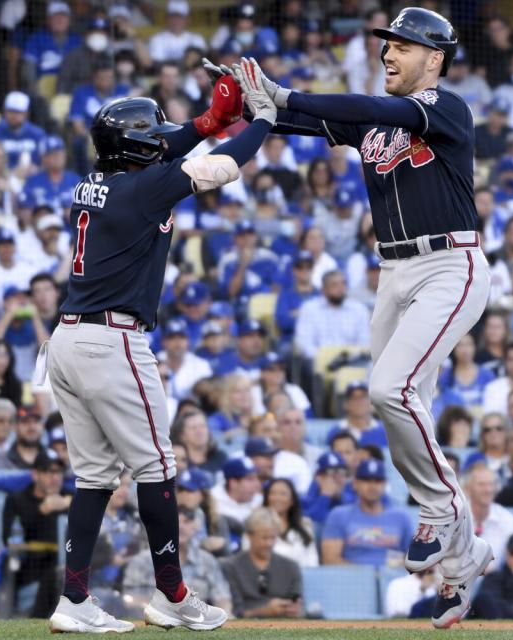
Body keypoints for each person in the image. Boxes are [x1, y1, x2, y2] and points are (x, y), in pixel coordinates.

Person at [204, 9, 494, 626]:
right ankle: (463, 560)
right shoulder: (375, 115)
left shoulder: (445, 105)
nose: (389, 52)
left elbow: (368, 110)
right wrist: (258, 103)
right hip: (394, 274)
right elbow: (313, 119)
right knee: (401, 412)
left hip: (449, 264)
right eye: (387, 43)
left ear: (434, 58)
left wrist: (287, 94)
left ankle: (443, 511)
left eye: (403, 45)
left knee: (390, 390)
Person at [44, 65, 271, 631]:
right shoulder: (145, 186)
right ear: (139, 148)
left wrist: (206, 120)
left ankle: (74, 600)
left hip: (69, 340)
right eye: (156, 134)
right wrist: (262, 119)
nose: (163, 138)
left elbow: (157, 145)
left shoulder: (100, 179)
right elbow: (221, 166)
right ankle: (172, 593)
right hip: (112, 341)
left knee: (95, 475)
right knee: (158, 466)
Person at [122, 509, 232, 616]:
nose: (181, 527)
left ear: (195, 527)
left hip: (196, 620)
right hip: (153, 618)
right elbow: (129, 598)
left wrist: (223, 615)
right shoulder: (143, 560)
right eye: (175, 521)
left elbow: (222, 597)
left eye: (187, 522)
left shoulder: (207, 560)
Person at [1, 451, 72, 618]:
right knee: (53, 573)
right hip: (29, 565)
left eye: (58, 472)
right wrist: (42, 511)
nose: (55, 477)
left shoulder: (69, 498)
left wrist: (69, 505)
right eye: (48, 472)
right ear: (35, 474)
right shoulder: (16, 500)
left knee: (60, 570)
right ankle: (37, 619)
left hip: (65, 562)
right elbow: (8, 539)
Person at [320, 459, 414, 566]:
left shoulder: (401, 517)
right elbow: (330, 560)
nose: (372, 486)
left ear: (384, 484)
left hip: (393, 579)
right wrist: (367, 577)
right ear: (355, 484)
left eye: (377, 481)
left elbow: (414, 560)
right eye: (366, 480)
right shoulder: (339, 515)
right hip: (349, 580)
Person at [221, 507, 304, 619]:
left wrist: (294, 608)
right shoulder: (230, 566)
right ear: (249, 536)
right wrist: (264, 611)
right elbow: (232, 611)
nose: (269, 543)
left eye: (273, 537)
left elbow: (298, 601)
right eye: (264, 538)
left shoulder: (291, 567)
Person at [293, 270, 370, 360]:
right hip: (317, 361)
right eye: (334, 285)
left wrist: (349, 358)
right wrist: (324, 358)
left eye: (343, 284)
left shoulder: (359, 310)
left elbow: (364, 342)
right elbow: (304, 343)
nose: (340, 288)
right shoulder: (309, 309)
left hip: (352, 362)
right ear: (323, 290)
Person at [466, 466, 513, 569]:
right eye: (481, 484)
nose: (488, 490)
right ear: (468, 489)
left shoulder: (506, 519)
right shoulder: (454, 517)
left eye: (491, 484)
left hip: (493, 581)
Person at [262, 478, 318, 567]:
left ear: (292, 500)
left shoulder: (305, 526)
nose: (277, 498)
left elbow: (312, 560)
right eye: (273, 493)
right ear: (267, 498)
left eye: (283, 494)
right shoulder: (255, 526)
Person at [0, 404, 45, 470]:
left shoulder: (54, 457)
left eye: (36, 422)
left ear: (42, 426)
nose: (32, 427)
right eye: (25, 422)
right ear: (14, 426)